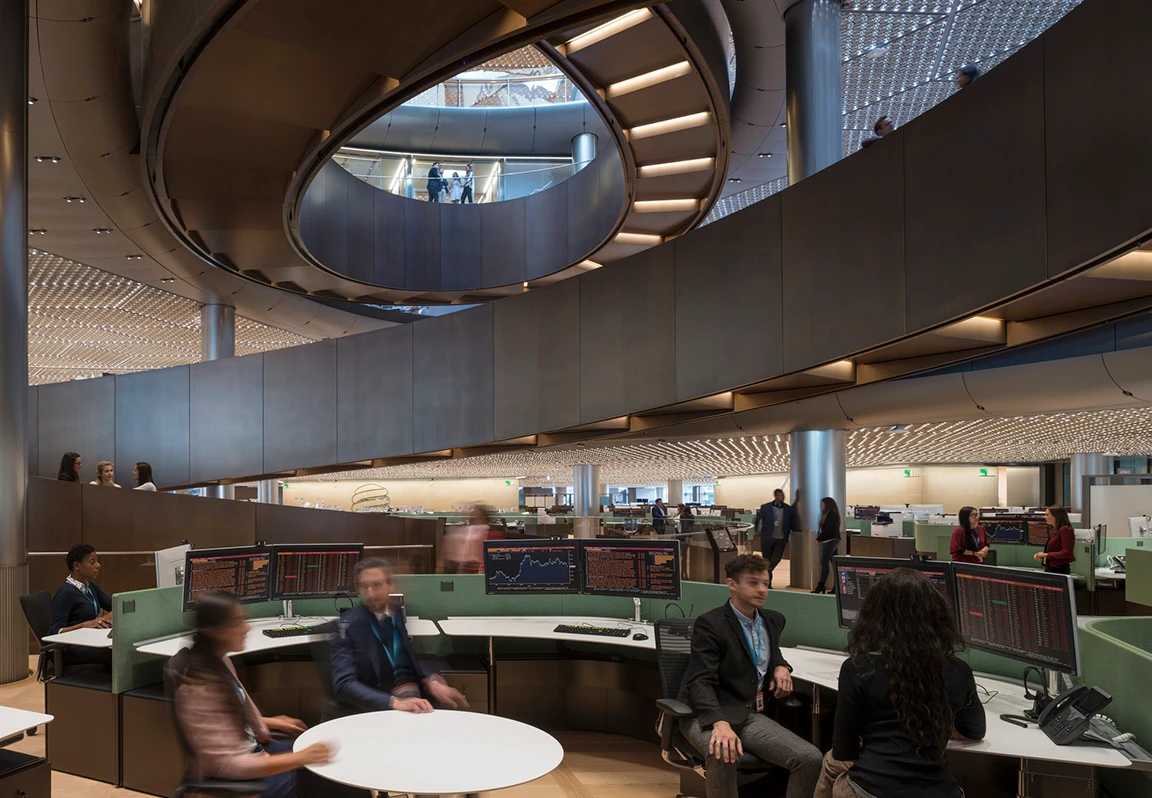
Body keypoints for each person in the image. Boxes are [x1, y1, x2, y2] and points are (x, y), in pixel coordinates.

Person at [815, 568, 986, 798]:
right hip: (941, 792)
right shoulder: (959, 671)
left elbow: (845, 751)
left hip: (872, 789)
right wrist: (934, 722)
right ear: (938, 617)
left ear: (874, 616)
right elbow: (975, 731)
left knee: (830, 762)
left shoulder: (858, 668)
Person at [679, 555, 822, 798]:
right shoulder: (711, 624)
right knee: (722, 753)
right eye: (753, 583)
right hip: (704, 713)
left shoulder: (772, 620)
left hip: (746, 713)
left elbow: (768, 650)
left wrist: (781, 665)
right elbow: (699, 681)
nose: (762, 589)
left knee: (809, 758)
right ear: (732, 584)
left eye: (766, 583)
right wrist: (719, 723)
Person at [172, 591, 331, 797]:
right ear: (215, 631)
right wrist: (300, 758)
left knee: (330, 771)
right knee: (322, 780)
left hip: (255, 753)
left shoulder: (219, 661)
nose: (247, 628)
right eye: (237, 622)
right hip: (240, 777)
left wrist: (273, 722)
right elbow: (228, 764)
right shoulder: (198, 687)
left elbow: (227, 716)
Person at [330, 558, 468, 713]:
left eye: (376, 585)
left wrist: (431, 680)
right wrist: (393, 702)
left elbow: (408, 660)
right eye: (364, 586)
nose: (370, 593)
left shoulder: (395, 614)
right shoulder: (345, 626)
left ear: (390, 585)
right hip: (378, 706)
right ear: (357, 588)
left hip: (410, 697)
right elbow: (344, 685)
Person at [49, 543, 114, 672]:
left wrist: (106, 617)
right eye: (92, 562)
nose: (98, 565)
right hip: (70, 648)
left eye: (97, 561)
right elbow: (54, 632)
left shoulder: (90, 587)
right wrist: (84, 625)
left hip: (88, 641)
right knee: (113, 654)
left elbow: (115, 605)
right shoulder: (66, 593)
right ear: (77, 565)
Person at [754, 489, 800, 589]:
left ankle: (765, 574)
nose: (782, 497)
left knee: (776, 559)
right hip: (767, 538)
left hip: (781, 539)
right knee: (766, 560)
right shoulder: (765, 507)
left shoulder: (788, 509)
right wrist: (757, 532)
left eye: (783, 495)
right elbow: (757, 520)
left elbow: (791, 522)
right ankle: (768, 583)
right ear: (775, 496)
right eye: (780, 495)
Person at [811, 497, 841, 594]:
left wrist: (819, 539)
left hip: (830, 541)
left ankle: (821, 585)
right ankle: (836, 586)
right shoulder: (831, 514)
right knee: (834, 562)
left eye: (822, 504)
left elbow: (828, 529)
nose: (821, 506)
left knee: (824, 563)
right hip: (832, 540)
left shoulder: (831, 514)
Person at [1034, 505, 1075, 574]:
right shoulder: (1056, 530)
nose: (1044, 517)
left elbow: (1066, 553)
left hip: (1059, 569)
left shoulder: (1065, 530)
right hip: (1052, 567)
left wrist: (1045, 555)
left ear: (1056, 516)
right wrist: (1042, 555)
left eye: (1047, 515)